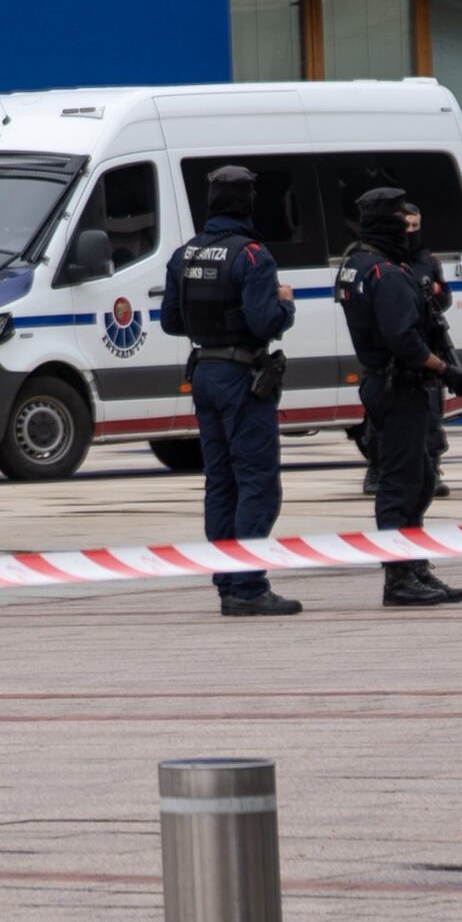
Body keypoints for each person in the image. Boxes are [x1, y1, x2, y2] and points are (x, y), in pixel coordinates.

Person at [160, 166, 296, 617]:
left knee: (220, 482)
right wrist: (285, 304)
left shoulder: (185, 254)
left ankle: (226, 583)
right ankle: (250, 586)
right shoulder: (253, 256)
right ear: (247, 203)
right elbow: (266, 322)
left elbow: (172, 323)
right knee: (257, 482)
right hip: (243, 378)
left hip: (204, 374)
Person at [334, 183, 462, 607]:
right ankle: (399, 578)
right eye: (399, 221)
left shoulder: (355, 263)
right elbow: (406, 341)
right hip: (400, 386)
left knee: (423, 477)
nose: (407, 231)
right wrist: (445, 369)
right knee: (401, 483)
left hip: (389, 383)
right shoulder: (385, 273)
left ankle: (414, 564)